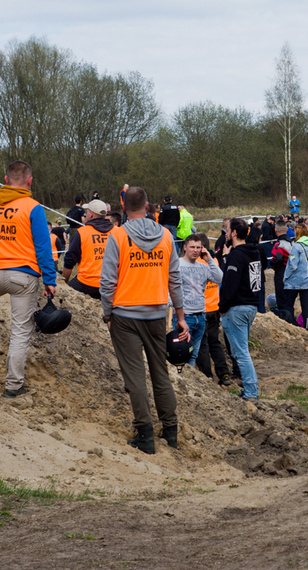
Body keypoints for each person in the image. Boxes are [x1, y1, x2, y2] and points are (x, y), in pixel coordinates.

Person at [100, 186, 189, 454]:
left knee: (135, 377)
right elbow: (175, 279)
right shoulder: (164, 235)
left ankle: (145, 434)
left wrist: (107, 313)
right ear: (149, 206)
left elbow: (107, 282)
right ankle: (170, 430)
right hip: (156, 314)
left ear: (124, 208)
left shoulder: (117, 236)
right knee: (160, 373)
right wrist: (181, 316)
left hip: (125, 315)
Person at [0, 161, 57, 398]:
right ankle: (13, 386)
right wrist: (50, 279)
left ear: (5, 179)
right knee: (20, 332)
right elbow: (43, 247)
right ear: (29, 181)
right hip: (23, 277)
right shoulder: (33, 207)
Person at [219, 217, 264, 400]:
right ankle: (250, 389)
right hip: (251, 305)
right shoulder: (255, 252)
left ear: (235, 233)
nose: (226, 234)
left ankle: (251, 391)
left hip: (237, 308)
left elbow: (230, 284)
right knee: (242, 350)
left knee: (240, 352)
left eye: (228, 230)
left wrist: (222, 307)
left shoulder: (236, 255)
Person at [174, 234, 222, 368]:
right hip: (185, 315)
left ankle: (189, 381)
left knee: (194, 354)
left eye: (198, 247)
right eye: (192, 247)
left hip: (201, 315)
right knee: (181, 353)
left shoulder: (203, 266)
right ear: (185, 247)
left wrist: (209, 260)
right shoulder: (177, 264)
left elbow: (219, 278)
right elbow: (169, 286)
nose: (195, 250)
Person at [195, 233, 232, 386]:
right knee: (214, 342)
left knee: (202, 343)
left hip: (202, 309)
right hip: (214, 307)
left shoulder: (196, 263)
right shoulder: (213, 261)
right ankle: (223, 373)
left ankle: (207, 376)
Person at [62, 199, 114, 299]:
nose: (86, 214)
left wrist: (64, 282)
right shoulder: (117, 232)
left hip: (86, 284)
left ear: (91, 215)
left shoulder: (82, 232)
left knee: (62, 296)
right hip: (112, 284)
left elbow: (69, 261)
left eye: (87, 211)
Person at [283, 224, 308, 330]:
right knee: (306, 305)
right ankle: (306, 328)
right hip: (306, 281)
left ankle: (291, 326)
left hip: (293, 281)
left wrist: (286, 277)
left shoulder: (296, 247)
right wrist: (306, 273)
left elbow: (292, 265)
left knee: (289, 305)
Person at [269, 220, 293, 321]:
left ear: (275, 230)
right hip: (291, 271)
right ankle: (290, 317)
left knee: (281, 297)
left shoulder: (280, 243)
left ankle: (285, 319)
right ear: (287, 229)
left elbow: (278, 258)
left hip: (281, 271)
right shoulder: (292, 242)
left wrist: (273, 265)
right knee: (289, 298)